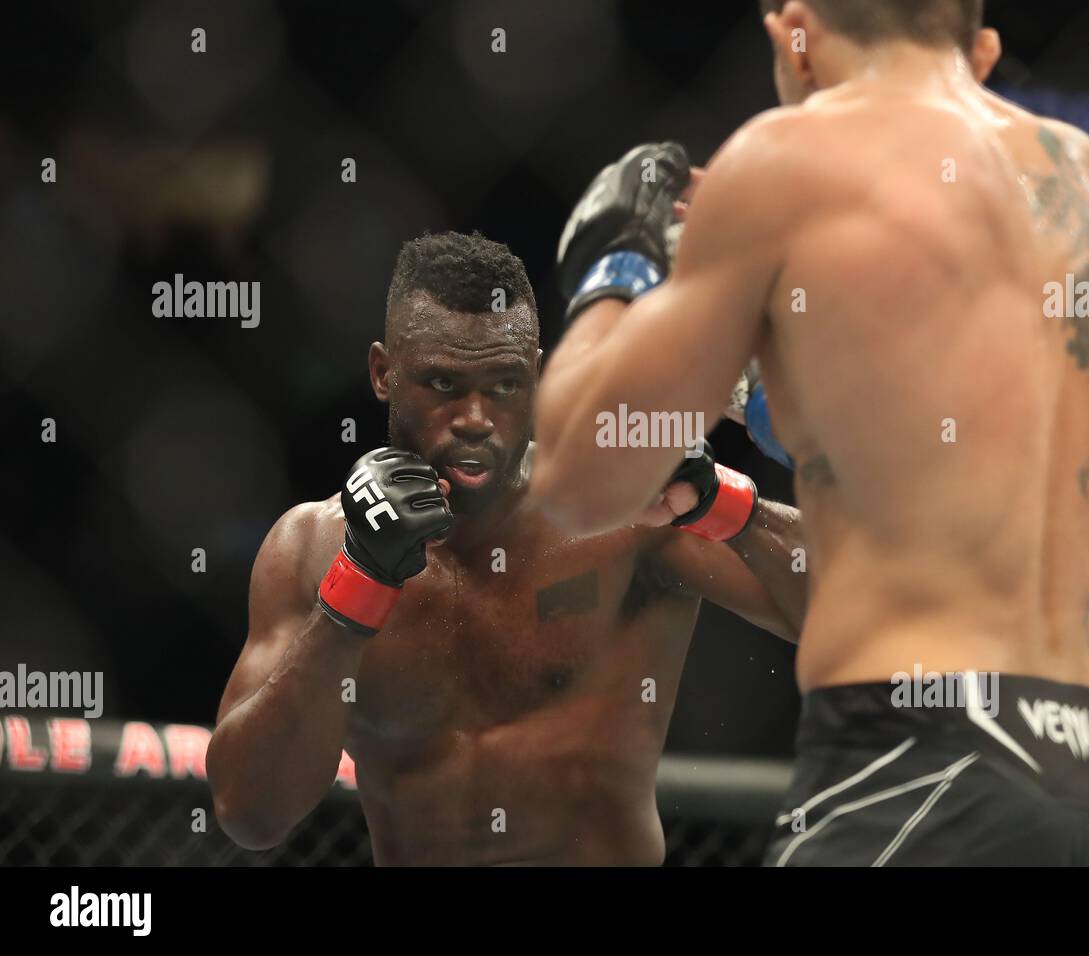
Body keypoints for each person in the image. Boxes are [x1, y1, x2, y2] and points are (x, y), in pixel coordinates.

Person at [530, 0, 1089, 865]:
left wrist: (617, 262)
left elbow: (576, 475)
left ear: (790, 28)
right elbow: (958, 470)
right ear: (980, 49)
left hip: (915, 756)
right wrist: (772, 369)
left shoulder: (786, 161)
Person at [207, 230, 805, 865]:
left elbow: (867, 615)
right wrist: (358, 584)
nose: (473, 418)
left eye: (503, 386)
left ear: (539, 375)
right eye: (442, 384)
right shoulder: (313, 548)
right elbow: (249, 813)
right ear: (384, 373)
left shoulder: (625, 516)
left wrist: (723, 504)